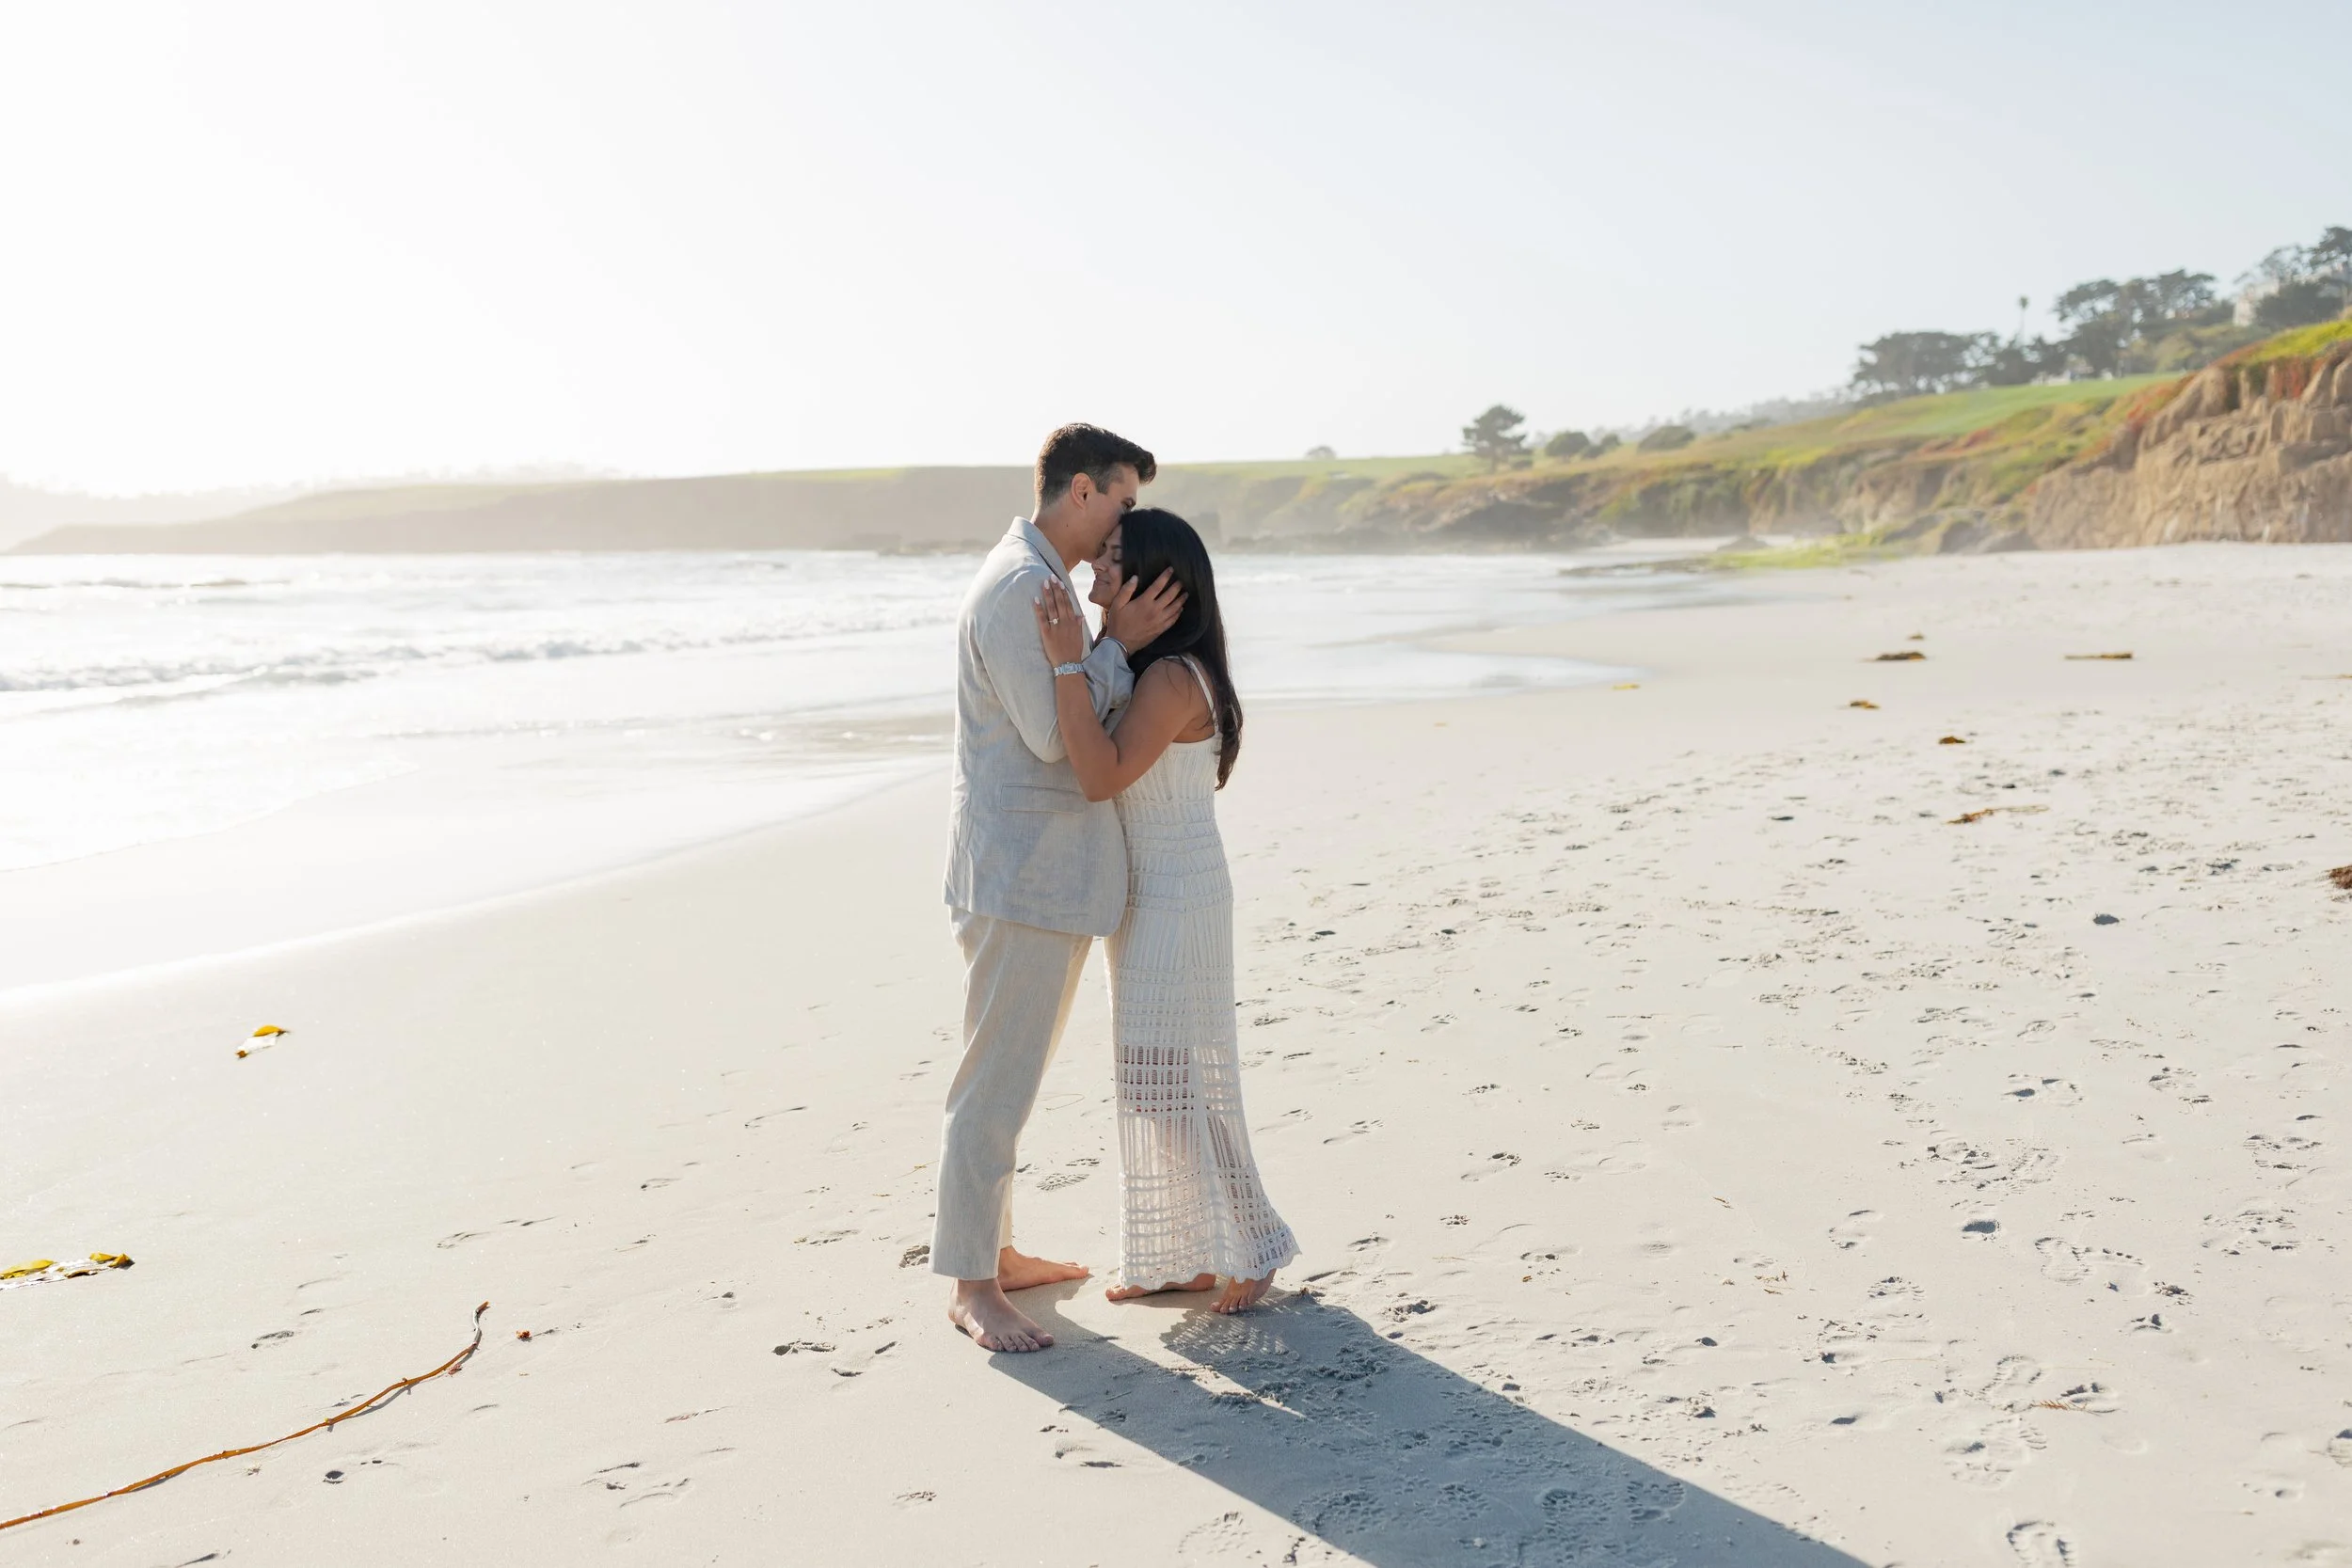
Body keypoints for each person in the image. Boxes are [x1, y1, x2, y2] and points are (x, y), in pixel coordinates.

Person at [936, 423, 1184, 1354]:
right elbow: (1054, 735)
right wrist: (1119, 640)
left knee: (1009, 1073)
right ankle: (970, 1283)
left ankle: (991, 1252)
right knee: (994, 1080)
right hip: (1020, 877)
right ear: (1082, 489)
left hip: (1034, 874)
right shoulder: (1020, 589)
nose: (1128, 522)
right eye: (1122, 501)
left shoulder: (1037, 581)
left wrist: (1104, 641)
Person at [1034, 507, 1298, 1316]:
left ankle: (1255, 1241)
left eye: (1115, 560)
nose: (1096, 572)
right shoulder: (1161, 668)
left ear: (1156, 581)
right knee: (1160, 1079)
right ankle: (1189, 1253)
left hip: (1175, 894)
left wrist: (1066, 666)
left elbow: (1100, 775)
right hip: (1159, 889)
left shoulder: (1171, 678)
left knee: (1174, 1076)